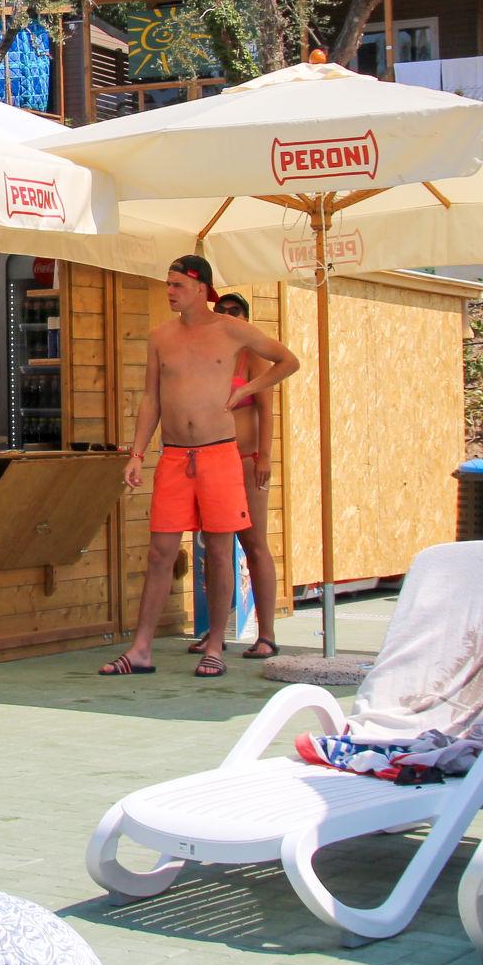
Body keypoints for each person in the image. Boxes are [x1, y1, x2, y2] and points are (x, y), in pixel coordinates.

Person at [102, 257, 298, 679]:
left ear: (199, 287)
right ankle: (140, 649)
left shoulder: (232, 330)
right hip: (174, 455)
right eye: (167, 284)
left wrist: (247, 387)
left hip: (220, 454)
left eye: (176, 284)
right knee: (160, 552)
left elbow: (287, 361)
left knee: (220, 551)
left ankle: (214, 645)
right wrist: (136, 452)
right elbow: (151, 398)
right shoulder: (161, 336)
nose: (169, 291)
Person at [186, 293, 281, 661]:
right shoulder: (209, 353)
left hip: (246, 458)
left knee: (254, 542)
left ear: (245, 316)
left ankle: (267, 633)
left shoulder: (252, 353)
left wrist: (265, 457)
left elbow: (267, 409)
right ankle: (216, 630)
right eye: (221, 311)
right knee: (216, 547)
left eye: (234, 311)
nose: (226, 316)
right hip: (212, 459)